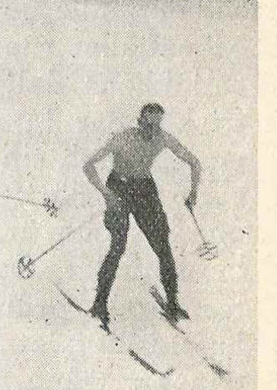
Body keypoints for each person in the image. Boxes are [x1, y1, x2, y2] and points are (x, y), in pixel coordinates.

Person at [83, 102, 202, 326]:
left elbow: (194, 162)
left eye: (157, 126)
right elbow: (89, 165)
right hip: (118, 187)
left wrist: (193, 191)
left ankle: (173, 303)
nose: (152, 131)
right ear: (140, 122)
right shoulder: (123, 138)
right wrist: (106, 194)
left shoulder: (163, 138)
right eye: (148, 124)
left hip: (145, 190)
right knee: (118, 246)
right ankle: (99, 303)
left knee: (163, 246)